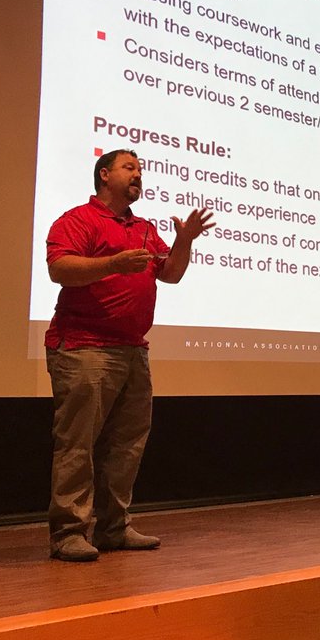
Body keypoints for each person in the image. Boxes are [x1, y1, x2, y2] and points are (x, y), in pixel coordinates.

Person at [43, 148, 214, 561]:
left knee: (127, 445)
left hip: (133, 349)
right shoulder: (77, 220)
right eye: (130, 168)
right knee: (78, 444)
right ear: (104, 175)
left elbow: (170, 274)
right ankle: (69, 532)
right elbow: (59, 269)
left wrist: (183, 241)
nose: (139, 175)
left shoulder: (142, 227)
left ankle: (113, 528)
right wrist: (113, 264)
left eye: (141, 170)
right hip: (84, 346)